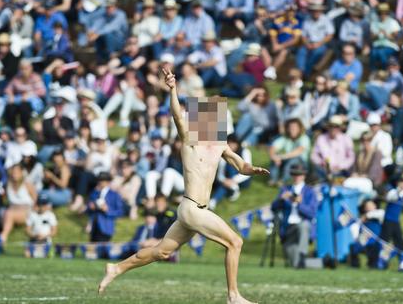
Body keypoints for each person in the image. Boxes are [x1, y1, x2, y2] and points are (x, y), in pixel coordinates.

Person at [98, 68, 269, 304]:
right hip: (192, 208)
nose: (213, 122)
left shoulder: (220, 145)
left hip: (195, 211)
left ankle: (115, 269)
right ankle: (233, 296)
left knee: (162, 252)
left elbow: (240, 166)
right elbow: (177, 116)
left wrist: (253, 169)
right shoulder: (190, 142)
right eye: (209, 118)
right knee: (235, 242)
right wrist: (173, 89)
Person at [271, 163, 318, 268]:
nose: (297, 177)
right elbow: (273, 208)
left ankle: (302, 253)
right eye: (294, 174)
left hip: (303, 226)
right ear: (292, 175)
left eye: (299, 174)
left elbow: (312, 214)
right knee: (296, 264)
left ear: (304, 175)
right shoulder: (285, 189)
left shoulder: (310, 191)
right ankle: (324, 262)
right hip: (288, 228)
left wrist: (299, 204)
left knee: (304, 225)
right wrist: (281, 199)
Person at [87, 172, 124, 242]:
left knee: (103, 250)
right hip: (94, 226)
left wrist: (108, 210)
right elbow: (88, 208)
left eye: (102, 180)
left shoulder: (114, 195)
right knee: (92, 250)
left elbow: (120, 212)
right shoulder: (94, 193)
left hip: (106, 227)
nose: (100, 182)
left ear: (108, 182)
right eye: (99, 180)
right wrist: (90, 207)